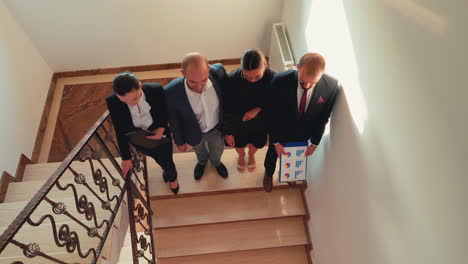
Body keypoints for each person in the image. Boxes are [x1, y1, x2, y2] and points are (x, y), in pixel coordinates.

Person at [263, 53, 340, 192]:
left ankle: (290, 175)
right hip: (280, 130)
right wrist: (275, 141)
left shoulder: (331, 86)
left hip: (303, 133)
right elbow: (271, 113)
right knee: (272, 155)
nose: (307, 86)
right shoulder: (279, 80)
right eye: (303, 81)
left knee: (294, 157)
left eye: (313, 83)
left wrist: (315, 143)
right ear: (297, 67)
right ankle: (268, 175)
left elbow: (323, 117)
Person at [106, 72, 179, 194]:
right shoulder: (112, 101)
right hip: (138, 138)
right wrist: (126, 158)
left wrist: (161, 130)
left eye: (134, 98)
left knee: (167, 160)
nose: (132, 103)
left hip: (160, 133)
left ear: (140, 86)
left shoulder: (156, 89)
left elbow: (164, 111)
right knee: (155, 156)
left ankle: (172, 177)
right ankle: (165, 169)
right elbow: (120, 129)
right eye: (125, 101)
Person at [164, 52, 228, 180]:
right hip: (193, 132)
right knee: (199, 150)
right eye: (193, 82)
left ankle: (216, 162)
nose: (199, 86)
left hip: (216, 128)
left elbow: (227, 101)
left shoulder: (219, 73)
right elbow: (174, 120)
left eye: (204, 80)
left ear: (209, 69)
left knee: (217, 150)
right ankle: (202, 162)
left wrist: (229, 129)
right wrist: (179, 141)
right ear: (182, 73)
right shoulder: (171, 92)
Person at [224, 48, 275, 173]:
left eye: (257, 77)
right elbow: (226, 107)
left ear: (265, 65)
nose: (252, 80)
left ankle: (251, 155)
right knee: (239, 143)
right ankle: (241, 156)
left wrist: (259, 109)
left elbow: (276, 102)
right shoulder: (232, 79)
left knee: (257, 142)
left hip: (261, 121)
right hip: (238, 120)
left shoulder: (274, 78)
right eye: (247, 76)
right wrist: (228, 131)